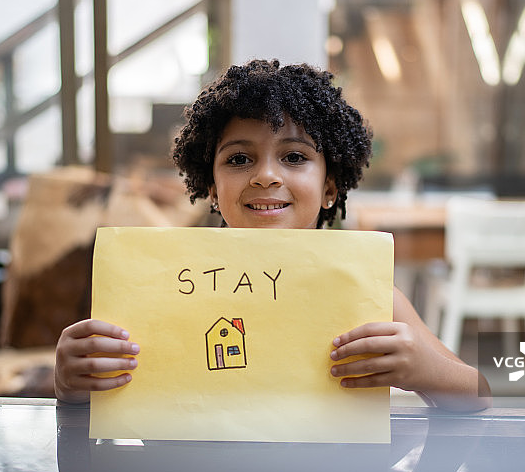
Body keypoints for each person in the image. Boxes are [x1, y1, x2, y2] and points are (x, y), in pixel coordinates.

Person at [55, 59, 491, 411]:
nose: (266, 175)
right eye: (240, 158)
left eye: (294, 156)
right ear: (211, 186)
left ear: (329, 188)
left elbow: (479, 394)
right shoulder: (158, 288)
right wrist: (72, 384)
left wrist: (424, 369)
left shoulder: (372, 295)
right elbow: (103, 394)